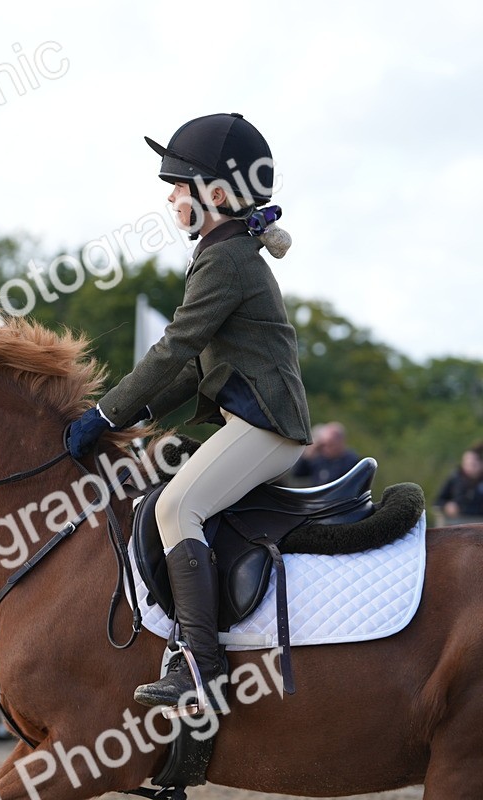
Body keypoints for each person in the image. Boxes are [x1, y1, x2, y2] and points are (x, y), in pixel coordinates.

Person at [67, 113, 311, 712]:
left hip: (268, 426)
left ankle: (202, 667)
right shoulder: (223, 251)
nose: (171, 197)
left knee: (180, 506)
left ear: (217, 196)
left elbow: (173, 346)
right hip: (253, 421)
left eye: (178, 186)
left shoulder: (225, 260)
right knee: (170, 499)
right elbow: (195, 368)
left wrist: (105, 414)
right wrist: (129, 415)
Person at [290, 421, 359, 487]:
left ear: (340, 442)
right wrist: (308, 455)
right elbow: (298, 473)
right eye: (323, 445)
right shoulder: (320, 458)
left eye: (330, 444)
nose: (325, 448)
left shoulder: (351, 461)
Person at [435, 444, 483, 525]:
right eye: (467, 463)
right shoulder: (454, 479)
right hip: (457, 524)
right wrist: (447, 506)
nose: (470, 466)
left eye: (474, 463)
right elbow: (438, 501)